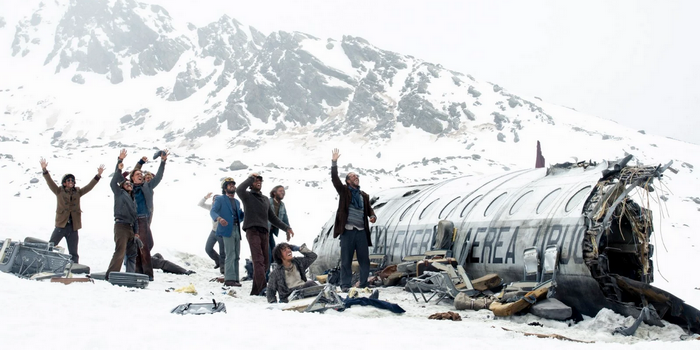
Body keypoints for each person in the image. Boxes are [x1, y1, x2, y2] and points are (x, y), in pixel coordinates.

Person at [236, 173, 294, 296]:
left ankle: (256, 291)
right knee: (258, 260)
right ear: (251, 184)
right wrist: (251, 178)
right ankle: (263, 288)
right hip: (252, 230)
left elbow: (272, 217)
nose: (258, 182)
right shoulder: (247, 196)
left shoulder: (265, 200)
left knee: (266, 262)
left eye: (260, 181)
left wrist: (286, 228)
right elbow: (239, 189)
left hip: (264, 232)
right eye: (256, 180)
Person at [39, 158, 104, 263]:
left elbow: (89, 187)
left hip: (73, 227)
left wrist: (98, 175)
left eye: (72, 180)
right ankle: (42, 262)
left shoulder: (78, 192)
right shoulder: (59, 191)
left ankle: (74, 268)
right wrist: (44, 170)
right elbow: (49, 182)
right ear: (64, 183)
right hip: (61, 225)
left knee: (73, 251)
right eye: (68, 180)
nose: (71, 182)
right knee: (51, 245)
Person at [331, 148, 377, 292]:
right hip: (348, 231)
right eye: (353, 176)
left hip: (361, 231)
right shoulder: (344, 191)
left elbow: (368, 208)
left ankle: (363, 283)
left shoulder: (363, 195)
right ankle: (345, 284)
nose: (356, 177)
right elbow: (335, 179)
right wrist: (334, 162)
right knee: (346, 260)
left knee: (364, 259)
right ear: (348, 181)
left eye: (357, 176)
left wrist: (372, 215)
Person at [128, 150, 168, 281]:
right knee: (140, 246)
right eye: (138, 174)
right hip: (133, 220)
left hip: (144, 219)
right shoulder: (129, 187)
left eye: (141, 174)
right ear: (133, 177)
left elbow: (159, 177)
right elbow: (132, 173)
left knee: (146, 245)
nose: (140, 175)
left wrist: (163, 162)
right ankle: (142, 272)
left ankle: (145, 273)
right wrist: (140, 163)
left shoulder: (147, 186)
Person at [106, 149, 138, 279]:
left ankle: (130, 275)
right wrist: (119, 161)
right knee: (120, 251)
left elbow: (135, 216)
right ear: (123, 186)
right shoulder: (119, 193)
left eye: (131, 183)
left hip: (130, 227)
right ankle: (111, 275)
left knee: (132, 253)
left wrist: (136, 231)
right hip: (121, 226)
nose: (129, 184)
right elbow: (114, 181)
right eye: (127, 183)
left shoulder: (133, 199)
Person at [210, 178, 245, 287]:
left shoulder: (237, 202)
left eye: (233, 185)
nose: (232, 186)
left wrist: (243, 215)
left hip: (236, 229)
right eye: (229, 185)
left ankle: (235, 278)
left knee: (237, 254)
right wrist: (219, 219)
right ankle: (229, 279)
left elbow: (239, 216)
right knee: (230, 253)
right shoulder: (220, 199)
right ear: (225, 188)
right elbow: (213, 211)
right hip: (226, 229)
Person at [198, 192, 225, 273]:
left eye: (217, 199)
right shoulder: (211, 207)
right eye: (214, 199)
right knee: (208, 248)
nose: (215, 201)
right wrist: (205, 197)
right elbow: (200, 204)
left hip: (221, 232)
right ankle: (218, 261)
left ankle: (223, 268)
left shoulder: (223, 208)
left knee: (222, 251)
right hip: (213, 231)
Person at [267, 185, 290, 276]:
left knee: (274, 252)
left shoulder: (282, 205)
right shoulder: (268, 202)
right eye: (280, 191)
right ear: (274, 193)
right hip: (264, 230)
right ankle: (266, 276)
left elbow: (285, 218)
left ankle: (273, 274)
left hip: (271, 232)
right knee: (268, 253)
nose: (282, 192)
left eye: (283, 191)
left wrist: (288, 230)